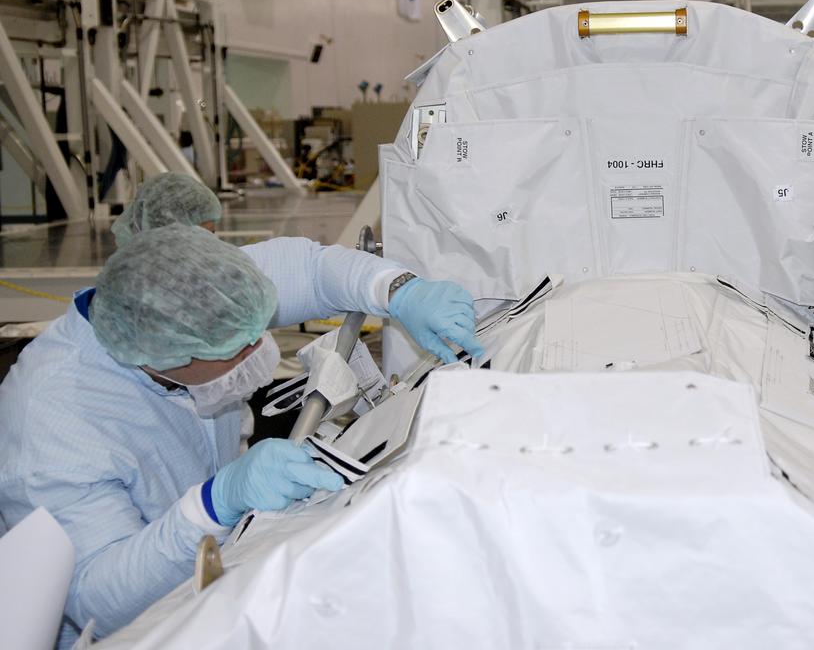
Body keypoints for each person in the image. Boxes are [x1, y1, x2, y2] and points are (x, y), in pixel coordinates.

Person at [0, 227, 344, 646]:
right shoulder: (56, 428)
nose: (259, 352)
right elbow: (96, 603)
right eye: (237, 349)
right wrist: (212, 507)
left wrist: (393, 289)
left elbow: (309, 269)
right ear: (168, 356)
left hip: (205, 585)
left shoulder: (174, 299)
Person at [110, 172, 482, 366]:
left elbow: (313, 273)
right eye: (191, 241)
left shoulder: (213, 284)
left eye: (210, 237)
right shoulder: (77, 403)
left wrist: (401, 290)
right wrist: (210, 502)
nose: (206, 253)